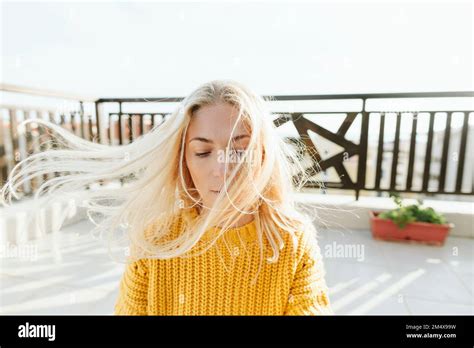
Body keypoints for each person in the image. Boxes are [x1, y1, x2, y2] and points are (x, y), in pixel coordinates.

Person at [1, 80, 333, 315]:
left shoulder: (292, 241)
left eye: (240, 149)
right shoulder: (156, 240)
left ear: (263, 155)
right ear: (184, 162)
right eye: (203, 152)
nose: (222, 168)